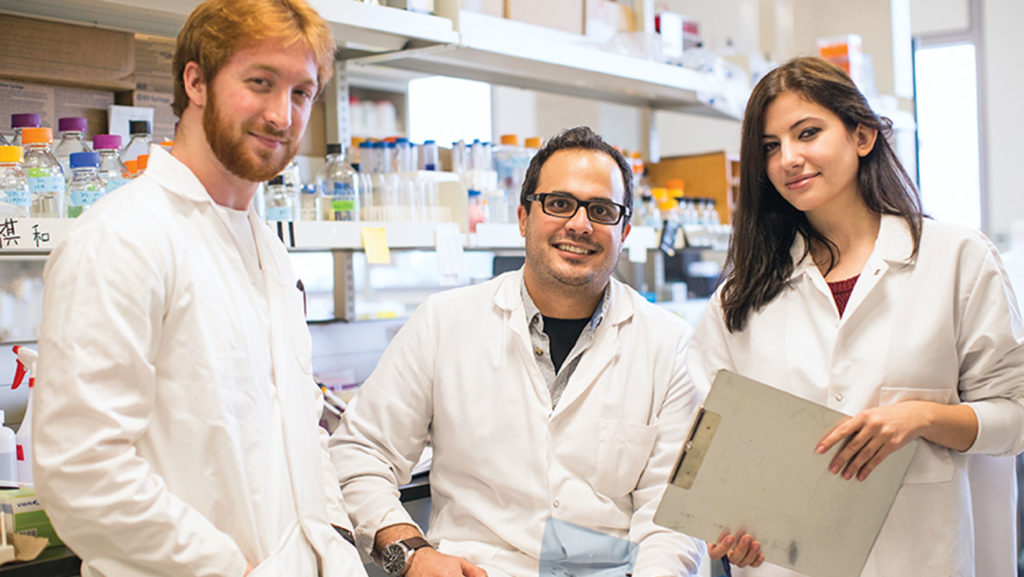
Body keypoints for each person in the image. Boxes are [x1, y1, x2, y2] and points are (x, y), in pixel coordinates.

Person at [31, 1, 366, 575]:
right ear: (196, 81)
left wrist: (332, 538)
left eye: (301, 93)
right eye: (259, 83)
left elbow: (297, 429)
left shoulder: (271, 254)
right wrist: (228, 568)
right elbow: (84, 472)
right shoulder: (121, 239)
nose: (281, 115)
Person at [687, 56, 1024, 576]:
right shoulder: (741, 296)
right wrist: (729, 528)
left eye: (808, 133)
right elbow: (709, 446)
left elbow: (1015, 414)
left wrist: (924, 417)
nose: (789, 159)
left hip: (919, 559)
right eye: (770, 148)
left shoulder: (955, 258)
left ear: (862, 136)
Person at [329, 126, 708, 577]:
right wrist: (411, 554)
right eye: (560, 204)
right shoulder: (444, 322)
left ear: (624, 230)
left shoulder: (669, 345)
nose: (580, 225)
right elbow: (359, 454)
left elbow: (672, 519)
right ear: (524, 217)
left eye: (601, 210)